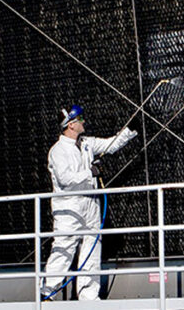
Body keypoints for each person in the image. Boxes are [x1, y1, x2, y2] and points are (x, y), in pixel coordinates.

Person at [42, 104, 138, 300]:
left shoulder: (86, 143)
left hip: (90, 207)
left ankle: (89, 296)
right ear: (70, 124)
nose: (83, 122)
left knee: (92, 250)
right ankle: (48, 292)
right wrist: (90, 173)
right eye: (80, 119)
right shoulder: (58, 151)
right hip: (69, 208)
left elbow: (110, 144)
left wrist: (130, 130)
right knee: (64, 248)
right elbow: (65, 178)